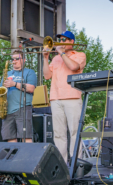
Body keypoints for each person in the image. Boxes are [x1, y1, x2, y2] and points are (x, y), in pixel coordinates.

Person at [43, 31, 86, 163]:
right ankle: (62, 164)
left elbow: (73, 66)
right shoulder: (55, 59)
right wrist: (45, 58)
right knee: (59, 134)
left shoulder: (79, 55)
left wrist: (61, 53)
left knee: (75, 132)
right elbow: (47, 76)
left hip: (72, 97)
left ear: (72, 42)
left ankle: (77, 164)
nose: (61, 42)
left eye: (64, 39)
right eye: (60, 40)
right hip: (56, 98)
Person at [0, 50, 37, 143]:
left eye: (17, 58)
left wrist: (14, 84)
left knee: (26, 137)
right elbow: (0, 91)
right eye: (13, 58)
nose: (14, 60)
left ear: (23, 60)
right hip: (7, 109)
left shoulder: (29, 72)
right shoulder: (7, 74)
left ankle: (28, 157)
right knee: (10, 137)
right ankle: (14, 157)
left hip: (23, 108)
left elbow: (31, 88)